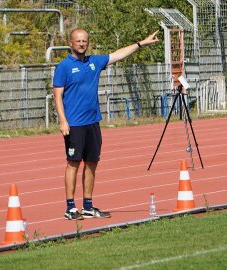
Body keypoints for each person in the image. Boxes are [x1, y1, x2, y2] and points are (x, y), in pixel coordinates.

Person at [53, 28, 159, 220]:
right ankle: (70, 207)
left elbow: (118, 54)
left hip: (93, 122)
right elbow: (57, 96)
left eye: (85, 40)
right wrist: (63, 120)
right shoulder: (64, 67)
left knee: (92, 163)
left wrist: (141, 43)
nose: (82, 44)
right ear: (70, 43)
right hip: (74, 124)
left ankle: (87, 205)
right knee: (73, 164)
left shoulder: (95, 62)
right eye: (78, 41)